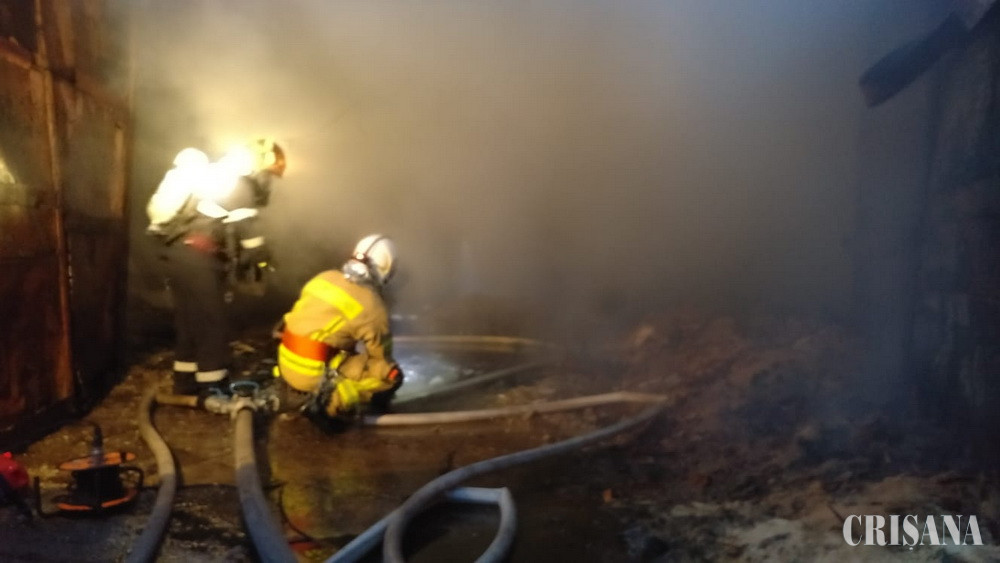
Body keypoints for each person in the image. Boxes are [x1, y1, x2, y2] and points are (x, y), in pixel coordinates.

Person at [147, 138, 286, 395]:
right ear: (258, 167)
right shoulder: (240, 184)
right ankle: (213, 385)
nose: (268, 182)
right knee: (213, 322)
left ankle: (185, 381)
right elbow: (249, 234)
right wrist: (264, 261)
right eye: (268, 174)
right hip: (199, 259)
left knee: (189, 321)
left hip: (176, 254)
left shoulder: (216, 178)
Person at [275, 234, 404, 424]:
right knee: (391, 374)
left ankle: (294, 390)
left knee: (346, 353)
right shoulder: (373, 306)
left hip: (285, 362)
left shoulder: (324, 277)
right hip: (312, 374)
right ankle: (332, 405)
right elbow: (380, 358)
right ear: (386, 268)